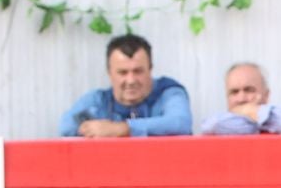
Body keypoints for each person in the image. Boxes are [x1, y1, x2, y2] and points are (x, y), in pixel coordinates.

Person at [59, 34, 194, 137]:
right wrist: (93, 127)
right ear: (109, 73)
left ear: (150, 69)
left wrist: (124, 129)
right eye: (123, 72)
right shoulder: (98, 100)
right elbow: (66, 126)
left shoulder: (168, 93)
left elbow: (180, 123)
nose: (131, 80)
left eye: (138, 71)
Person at [199, 63, 281, 134]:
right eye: (234, 92)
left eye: (249, 90)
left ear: (266, 95)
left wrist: (256, 113)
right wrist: (250, 117)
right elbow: (213, 125)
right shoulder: (217, 122)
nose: (241, 98)